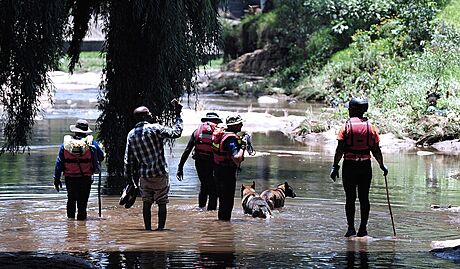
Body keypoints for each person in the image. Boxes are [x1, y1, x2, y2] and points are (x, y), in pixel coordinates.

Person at [330, 97, 388, 237]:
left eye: (349, 108)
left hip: (349, 167)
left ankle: (350, 229)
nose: (348, 110)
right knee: (364, 198)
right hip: (365, 167)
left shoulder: (345, 127)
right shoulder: (371, 128)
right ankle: (363, 229)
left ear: (353, 110)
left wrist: (335, 166)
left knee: (350, 198)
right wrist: (382, 165)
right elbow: (376, 150)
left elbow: (340, 150)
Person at [124, 104, 183, 231]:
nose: (151, 114)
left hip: (144, 176)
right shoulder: (155, 128)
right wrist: (178, 115)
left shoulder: (131, 135)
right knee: (162, 202)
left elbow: (128, 161)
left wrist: (130, 182)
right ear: (144, 116)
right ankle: (161, 230)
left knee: (147, 202)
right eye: (149, 113)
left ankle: (148, 230)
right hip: (160, 173)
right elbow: (176, 133)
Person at [53, 119, 105, 220]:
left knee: (71, 200)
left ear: (75, 131)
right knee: (83, 202)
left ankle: (70, 225)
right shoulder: (91, 143)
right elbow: (101, 157)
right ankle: (82, 226)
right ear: (86, 132)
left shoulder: (66, 145)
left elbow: (59, 162)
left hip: (70, 178)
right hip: (85, 178)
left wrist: (56, 178)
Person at [176, 112, 222, 210]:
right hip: (212, 163)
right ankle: (211, 214)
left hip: (199, 163)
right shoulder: (218, 132)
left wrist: (180, 167)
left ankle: (201, 209)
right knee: (213, 190)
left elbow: (187, 150)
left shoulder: (197, 131)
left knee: (204, 185)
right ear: (216, 121)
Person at [212, 115, 249, 221]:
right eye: (240, 123)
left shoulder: (222, 135)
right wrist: (243, 147)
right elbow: (237, 158)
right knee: (227, 203)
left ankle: (221, 225)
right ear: (234, 125)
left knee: (223, 202)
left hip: (218, 170)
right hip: (226, 174)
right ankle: (225, 228)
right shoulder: (231, 139)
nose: (242, 125)